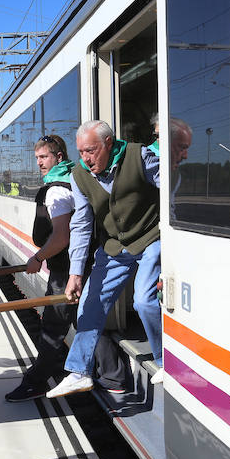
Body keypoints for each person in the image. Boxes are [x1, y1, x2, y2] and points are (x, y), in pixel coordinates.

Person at [47, 119, 161, 398]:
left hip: (150, 238)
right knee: (89, 305)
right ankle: (79, 372)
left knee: (144, 301)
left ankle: (164, 361)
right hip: (114, 248)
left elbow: (171, 189)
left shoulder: (140, 156)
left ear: (108, 143)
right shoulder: (79, 175)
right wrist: (75, 274)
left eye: (91, 151)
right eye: (81, 152)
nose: (85, 158)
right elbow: (82, 225)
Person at [5, 135, 76, 402]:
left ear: (58, 157)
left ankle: (36, 382)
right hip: (72, 265)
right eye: (36, 158)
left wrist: (38, 257)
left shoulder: (57, 189)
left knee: (53, 327)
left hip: (65, 269)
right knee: (84, 320)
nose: (39, 163)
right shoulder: (73, 178)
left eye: (44, 157)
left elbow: (61, 236)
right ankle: (112, 375)